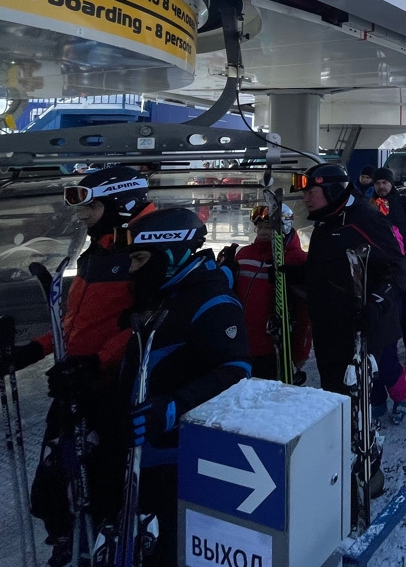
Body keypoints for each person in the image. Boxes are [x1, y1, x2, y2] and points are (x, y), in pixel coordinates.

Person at [0, 166, 153, 567]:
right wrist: (35, 350)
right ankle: (65, 541)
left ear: (119, 202)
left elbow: (146, 322)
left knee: (102, 483)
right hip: (73, 385)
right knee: (52, 488)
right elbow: (77, 322)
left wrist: (97, 362)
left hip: (112, 392)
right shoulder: (98, 248)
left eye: (88, 207)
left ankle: (105, 545)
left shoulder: (147, 248)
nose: (80, 215)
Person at [113, 207, 251, 567]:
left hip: (181, 458)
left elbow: (236, 371)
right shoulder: (164, 294)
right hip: (143, 452)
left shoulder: (213, 301)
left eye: (140, 258)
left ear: (171, 254)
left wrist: (172, 408)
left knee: (168, 550)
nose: (132, 269)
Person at [294, 165, 406, 434]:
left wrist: (378, 304)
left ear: (333, 190)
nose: (306, 198)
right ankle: (346, 429)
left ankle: (398, 398)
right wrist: (296, 274)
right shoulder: (326, 220)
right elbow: (328, 267)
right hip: (330, 326)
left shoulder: (364, 219)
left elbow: (397, 266)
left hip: (366, 324)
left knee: (379, 371)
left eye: (312, 191)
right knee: (336, 384)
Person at [232, 203, 310, 382]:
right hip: (241, 344)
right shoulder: (244, 255)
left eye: (269, 227)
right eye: (260, 226)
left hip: (272, 348)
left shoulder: (296, 259)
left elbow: (304, 312)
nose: (263, 231)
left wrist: (300, 350)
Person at [372, 167, 406, 370]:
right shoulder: (370, 206)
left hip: (403, 268)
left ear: (391, 183)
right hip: (379, 269)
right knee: (384, 311)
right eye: (377, 183)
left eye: (384, 183)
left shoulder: (405, 204)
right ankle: (387, 353)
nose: (381, 187)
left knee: (404, 312)